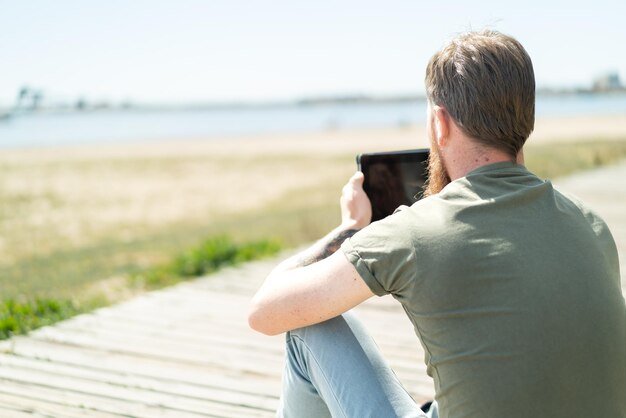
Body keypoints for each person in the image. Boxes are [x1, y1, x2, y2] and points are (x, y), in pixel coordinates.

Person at [248, 30, 626, 418]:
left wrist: (349, 228)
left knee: (308, 328)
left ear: (440, 123)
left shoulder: (413, 232)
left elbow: (265, 312)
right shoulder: (591, 223)